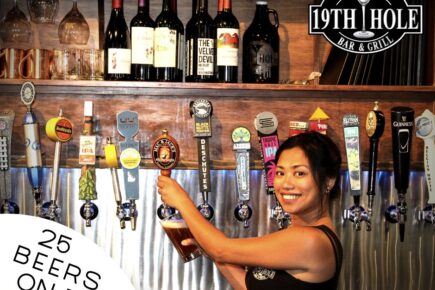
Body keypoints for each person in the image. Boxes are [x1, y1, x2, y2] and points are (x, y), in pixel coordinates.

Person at [157, 131, 343, 290]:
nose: (286, 183)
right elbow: (248, 285)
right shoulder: (296, 236)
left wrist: (182, 201)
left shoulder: (311, 241)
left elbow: (221, 249)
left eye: (299, 173)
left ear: (329, 180)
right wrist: (210, 250)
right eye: (280, 172)